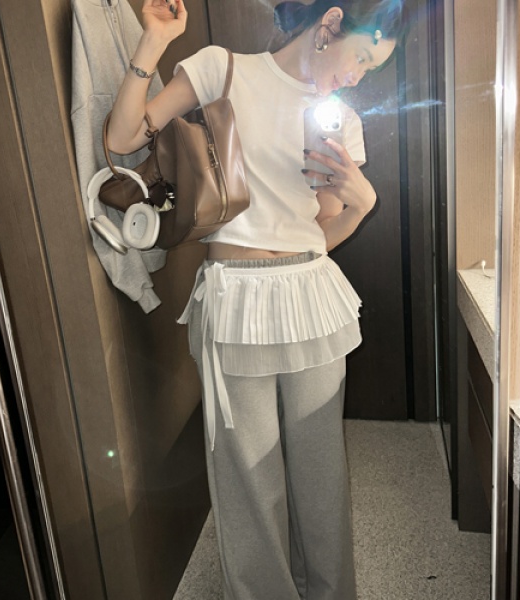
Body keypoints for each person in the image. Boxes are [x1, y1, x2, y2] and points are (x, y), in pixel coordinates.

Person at [107, 1, 407, 598]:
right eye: (360, 58)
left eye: (369, 70)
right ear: (329, 25)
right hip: (235, 297)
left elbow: (316, 233)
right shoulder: (222, 69)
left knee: (321, 470)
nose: (356, 77)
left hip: (309, 296)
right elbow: (122, 138)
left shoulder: (341, 122)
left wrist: (361, 204)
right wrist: (155, 40)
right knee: (248, 474)